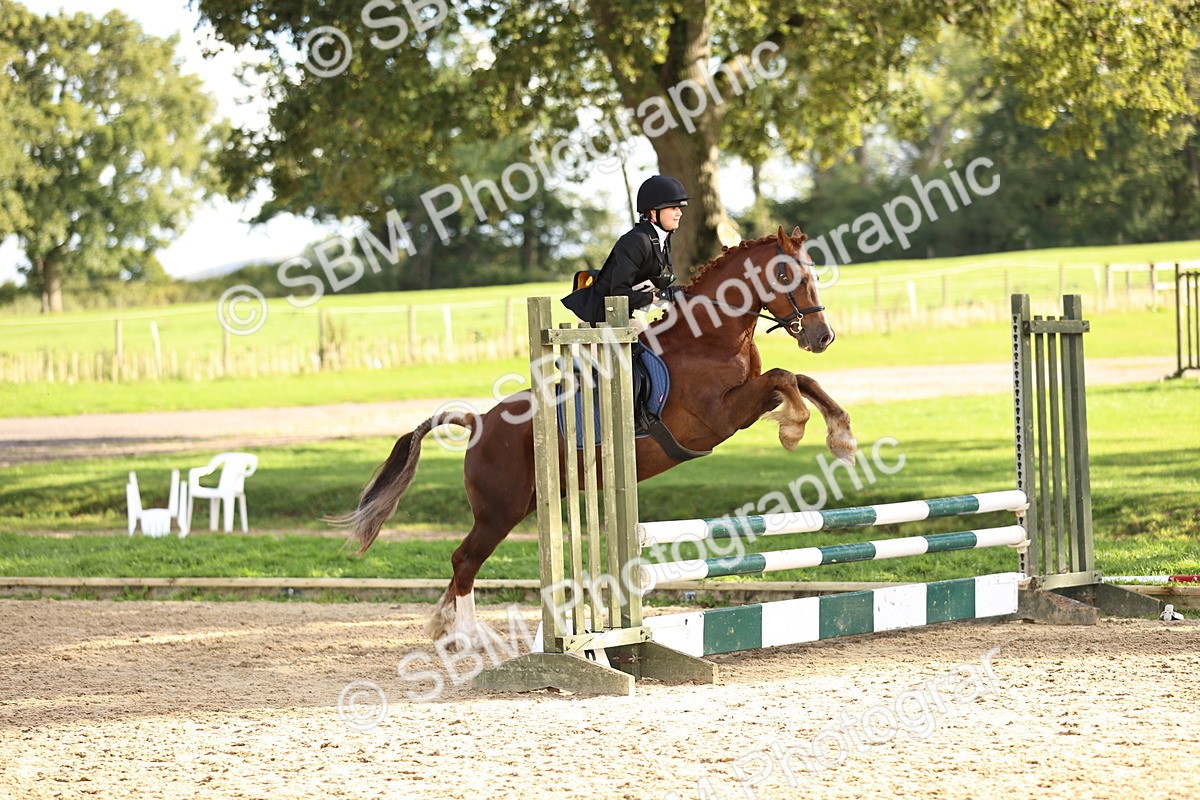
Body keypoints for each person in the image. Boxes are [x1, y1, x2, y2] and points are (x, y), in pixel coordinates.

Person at [562, 175, 687, 323]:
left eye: (679, 208)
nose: (679, 213)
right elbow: (618, 293)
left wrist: (668, 297)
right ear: (654, 212)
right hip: (599, 317)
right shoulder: (637, 241)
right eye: (673, 208)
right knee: (649, 344)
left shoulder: (661, 240)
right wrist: (660, 297)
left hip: (621, 314)